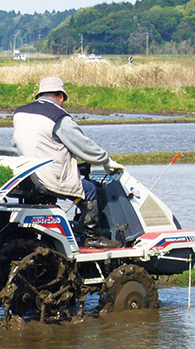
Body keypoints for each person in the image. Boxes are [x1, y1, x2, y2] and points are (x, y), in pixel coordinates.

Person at [12, 76, 124, 248]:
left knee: (78, 181)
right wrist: (106, 160)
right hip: (48, 176)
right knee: (90, 189)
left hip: (27, 176)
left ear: (39, 95)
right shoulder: (59, 117)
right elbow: (83, 145)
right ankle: (92, 237)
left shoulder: (20, 113)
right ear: (61, 96)